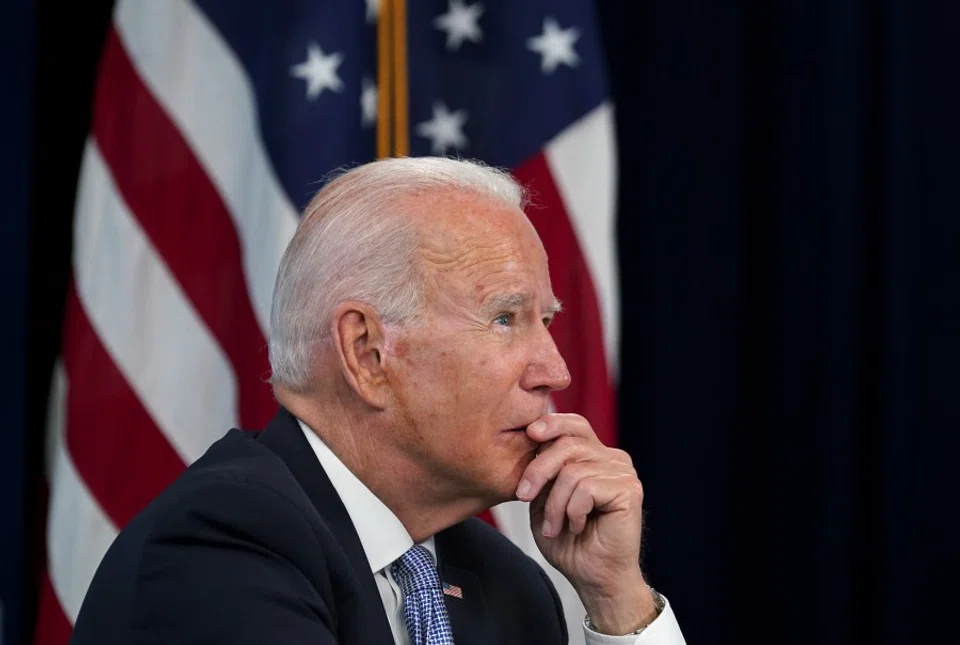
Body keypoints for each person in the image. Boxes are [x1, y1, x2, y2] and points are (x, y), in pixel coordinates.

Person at [69, 157, 686, 645]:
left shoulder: (507, 586)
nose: (555, 370)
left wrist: (616, 601)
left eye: (546, 321)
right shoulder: (223, 546)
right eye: (505, 318)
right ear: (366, 352)